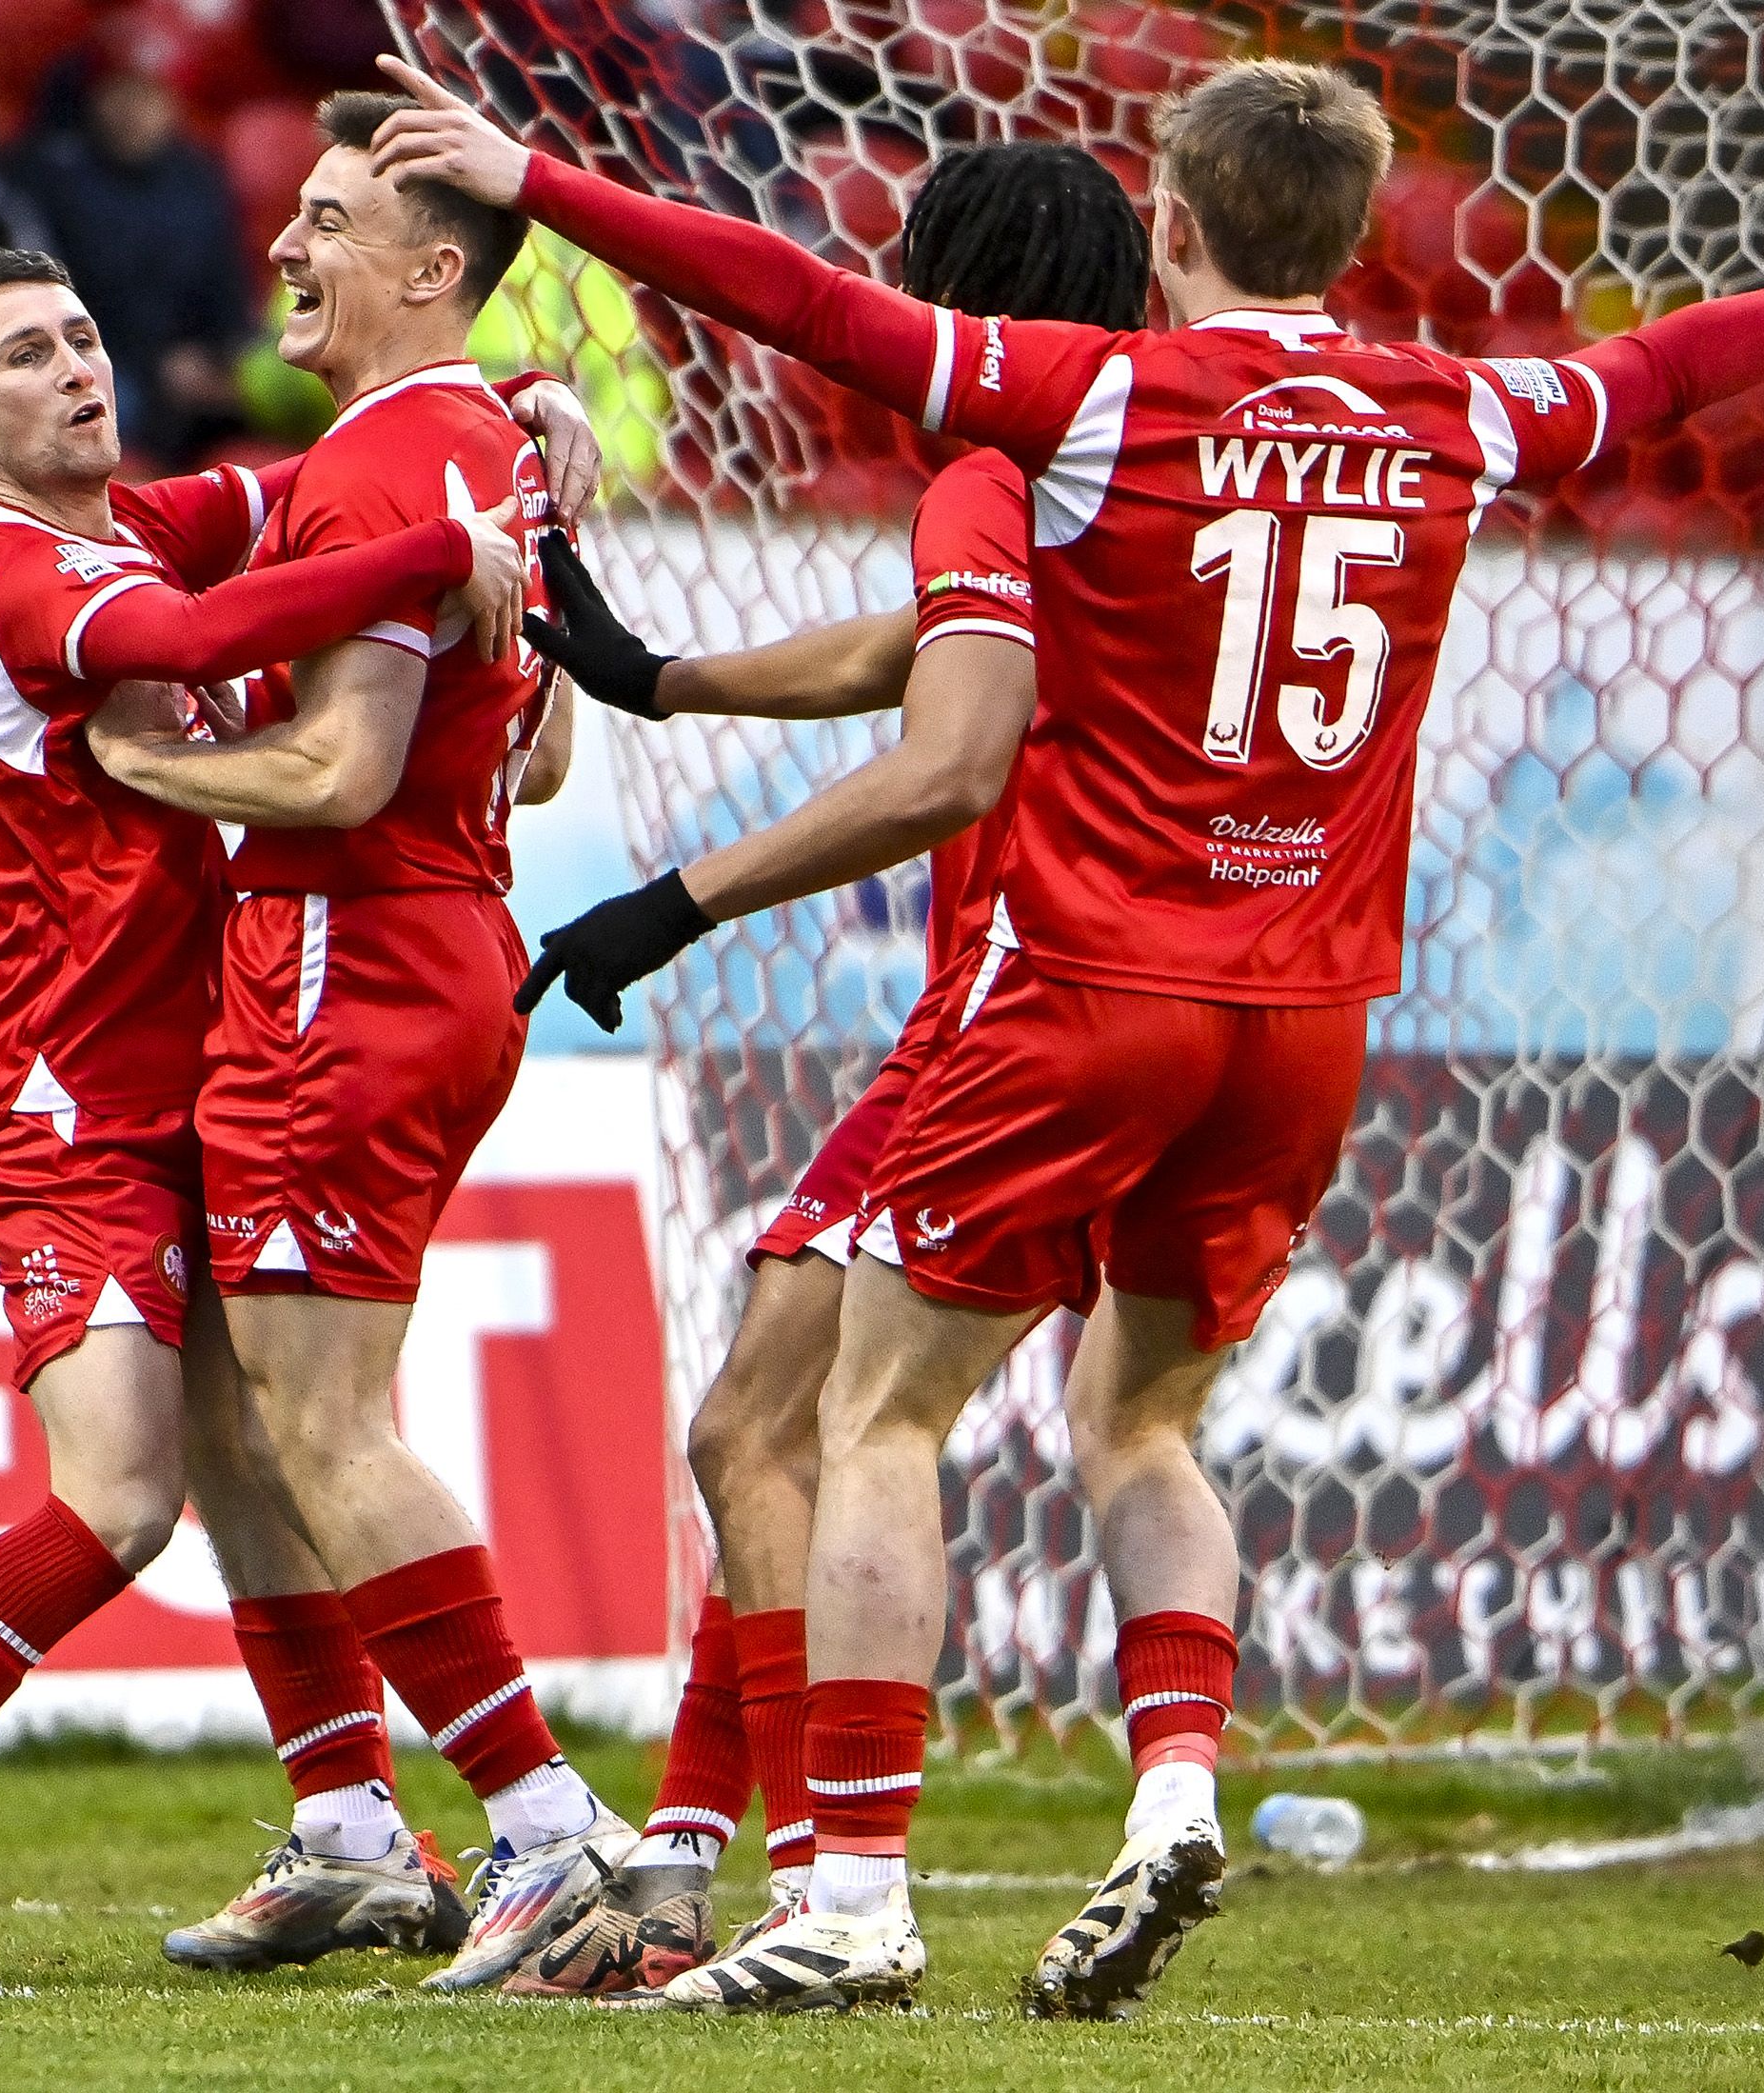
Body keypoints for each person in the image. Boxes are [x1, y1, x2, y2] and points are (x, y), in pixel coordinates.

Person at [372, 52, 1764, 2016]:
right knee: (1139, 1421)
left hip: (1084, 985)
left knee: (872, 1415)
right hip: (1303, 1018)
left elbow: (790, 300)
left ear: (1178, 224)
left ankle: (852, 1895)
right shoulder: (1455, 402)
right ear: (1358, 224)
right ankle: (1172, 1793)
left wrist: (531, 168)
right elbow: (1675, 366)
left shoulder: (1088, 397)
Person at [0, 243, 564, 1986]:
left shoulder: (141, 523)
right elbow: (204, 633)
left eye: (87, 336)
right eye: (28, 357)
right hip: (68, 1110)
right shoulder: (18, 575)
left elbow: (312, 484)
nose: (77, 368)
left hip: (206, 1073)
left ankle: (347, 1824)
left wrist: (507, 429)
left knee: (266, 1453)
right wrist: (445, 550)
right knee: (120, 1497)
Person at [502, 140, 1154, 2001]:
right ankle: (712, 1871)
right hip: (1164, 1010)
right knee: (770, 1430)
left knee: (798, 1428)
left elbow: (943, 748)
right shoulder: (1129, 469)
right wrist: (665, 679)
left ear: (948, 292)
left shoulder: (990, 463)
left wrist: (669, 902)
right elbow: (920, 648)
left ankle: (821, 1885)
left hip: (1015, 1010)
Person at [84, 91, 620, 1997]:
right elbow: (543, 746)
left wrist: (141, 764)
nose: (286, 253)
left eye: (324, 223)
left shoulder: (396, 463)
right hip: (430, 947)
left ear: (431, 269)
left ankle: (548, 1834)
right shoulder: (489, 453)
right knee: (241, 1405)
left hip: (345, 967)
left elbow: (341, 765)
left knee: (319, 1420)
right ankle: (344, 1826)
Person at [11, 28, 255, 470]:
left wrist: (218, 356)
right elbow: (44, 297)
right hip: (93, 365)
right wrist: (156, 366)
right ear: (94, 98)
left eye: (149, 95)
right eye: (119, 93)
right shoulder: (50, 177)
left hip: (188, 375)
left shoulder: (199, 183)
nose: (133, 111)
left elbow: (227, 291)